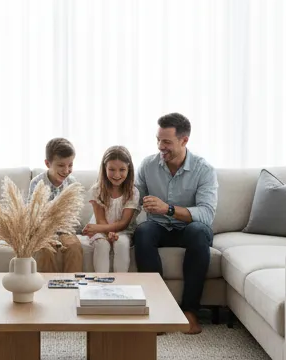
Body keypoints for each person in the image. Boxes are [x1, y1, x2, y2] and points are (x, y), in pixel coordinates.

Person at [134, 112, 217, 334]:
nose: (161, 146)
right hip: (158, 227)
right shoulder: (148, 165)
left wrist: (168, 209)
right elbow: (132, 201)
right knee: (143, 232)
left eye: (167, 142)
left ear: (184, 140)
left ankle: (190, 311)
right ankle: (157, 308)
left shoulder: (203, 170)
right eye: (158, 140)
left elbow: (207, 214)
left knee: (200, 232)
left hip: (188, 230)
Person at [26, 136, 84, 273]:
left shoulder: (71, 182)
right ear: (48, 163)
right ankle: (47, 289)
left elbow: (74, 213)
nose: (66, 170)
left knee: (74, 247)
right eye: (61, 165)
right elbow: (32, 212)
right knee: (45, 250)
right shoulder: (37, 183)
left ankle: (72, 287)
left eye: (70, 165)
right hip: (43, 230)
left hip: (65, 229)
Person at [82, 145, 139, 272]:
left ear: (129, 169)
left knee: (122, 243)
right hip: (100, 226)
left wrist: (106, 231)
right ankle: (101, 285)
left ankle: (120, 285)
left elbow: (124, 223)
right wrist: (107, 233)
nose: (117, 175)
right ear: (104, 168)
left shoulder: (133, 192)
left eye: (122, 170)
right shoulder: (97, 190)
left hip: (122, 230)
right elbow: (100, 219)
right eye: (112, 169)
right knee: (102, 244)